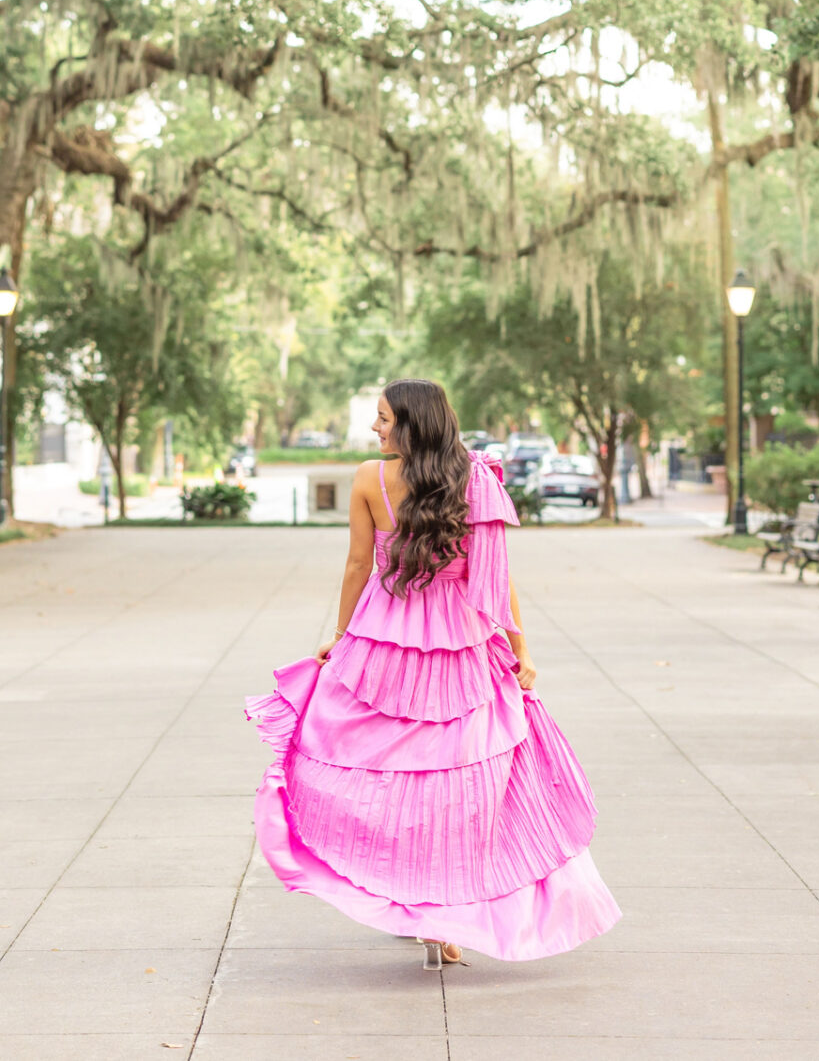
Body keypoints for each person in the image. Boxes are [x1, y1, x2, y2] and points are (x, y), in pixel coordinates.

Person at [245, 377, 620, 966]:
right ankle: (440, 913)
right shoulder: (479, 480)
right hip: (462, 641)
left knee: (381, 770)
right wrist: (521, 649)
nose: (375, 428)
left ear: (412, 424)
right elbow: (496, 581)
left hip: (386, 636)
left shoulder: (371, 478)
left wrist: (342, 638)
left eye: (384, 418)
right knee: (460, 780)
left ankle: (409, 896)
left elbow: (357, 565)